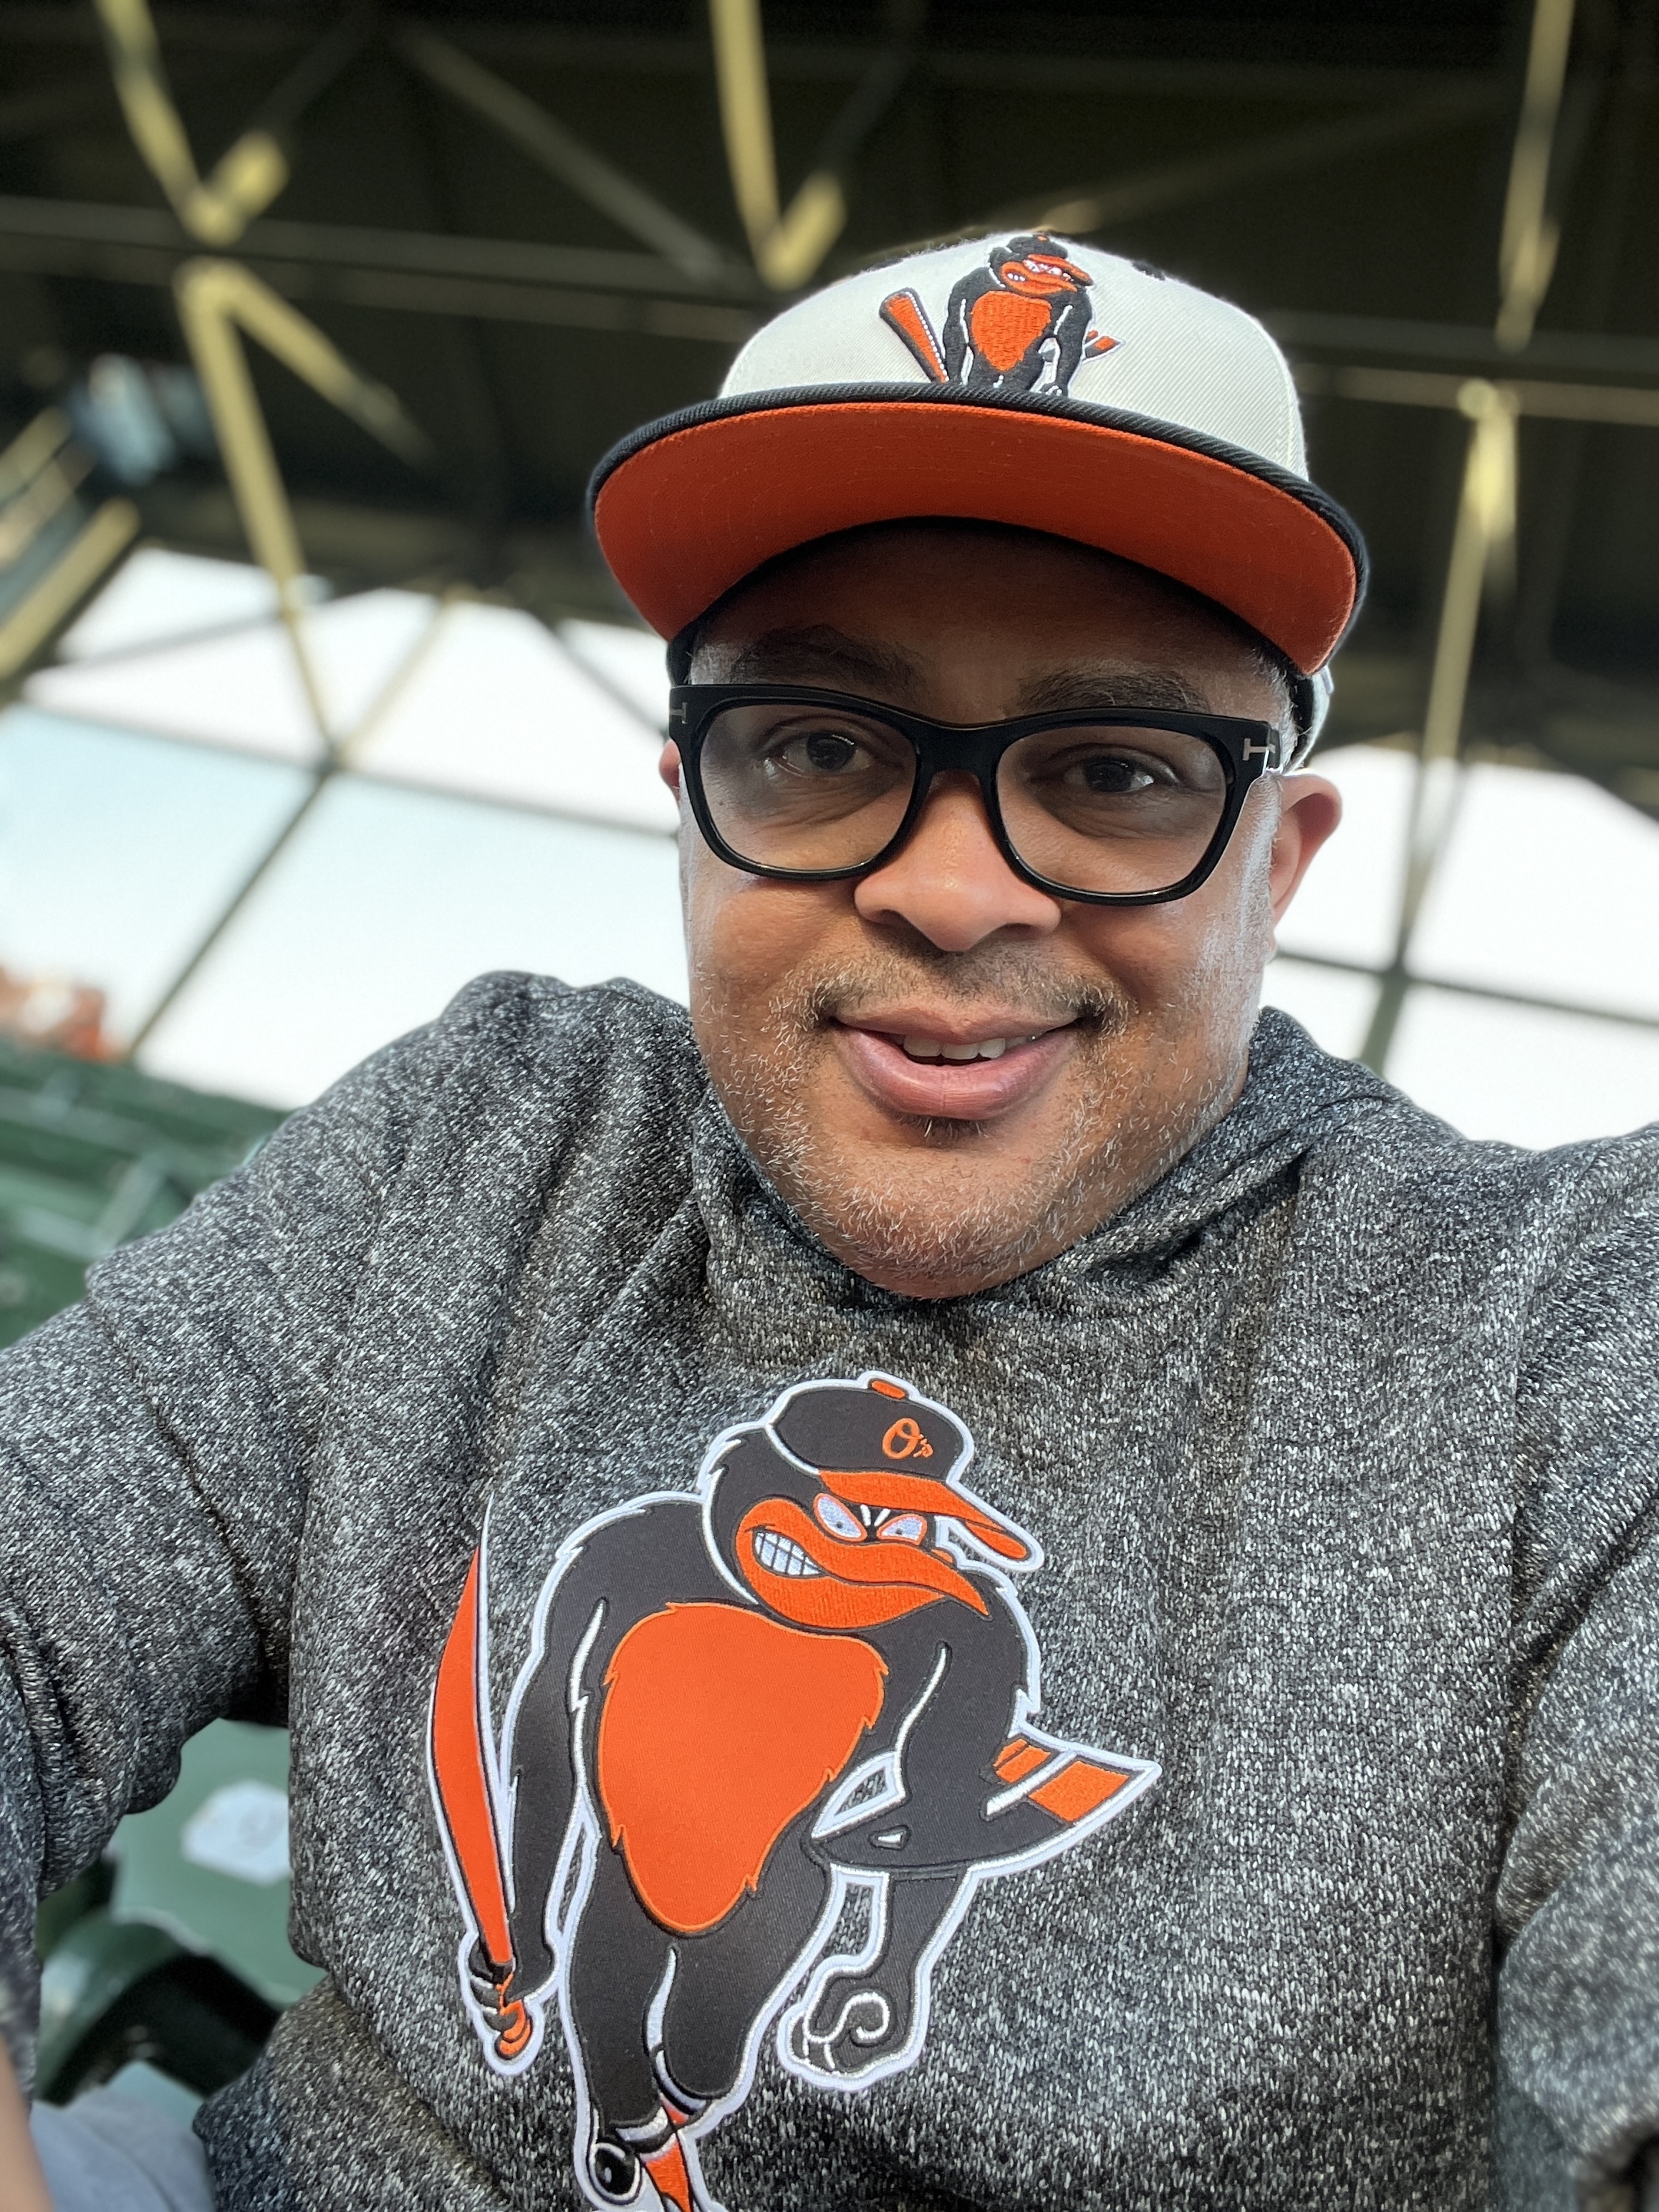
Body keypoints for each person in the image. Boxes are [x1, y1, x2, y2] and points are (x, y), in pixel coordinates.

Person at [2, 233, 1656, 2212]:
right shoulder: (496, 1132)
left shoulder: (1562, 1333)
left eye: (1116, 772)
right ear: (691, 808)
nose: (952, 892)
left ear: (1274, 865)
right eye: (819, 747)